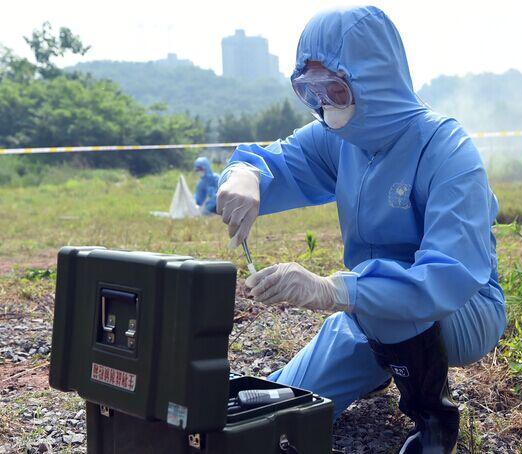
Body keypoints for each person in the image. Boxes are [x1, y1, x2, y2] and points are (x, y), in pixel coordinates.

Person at [216, 6, 506, 453]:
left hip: (461, 309)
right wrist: (245, 176)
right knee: (282, 408)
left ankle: (434, 421)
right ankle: (379, 364)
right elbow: (276, 159)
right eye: (308, 91)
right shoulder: (341, 138)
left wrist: (334, 291)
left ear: (373, 78)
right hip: (368, 308)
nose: (323, 104)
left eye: (333, 87)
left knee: (379, 313)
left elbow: (446, 278)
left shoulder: (447, 150)